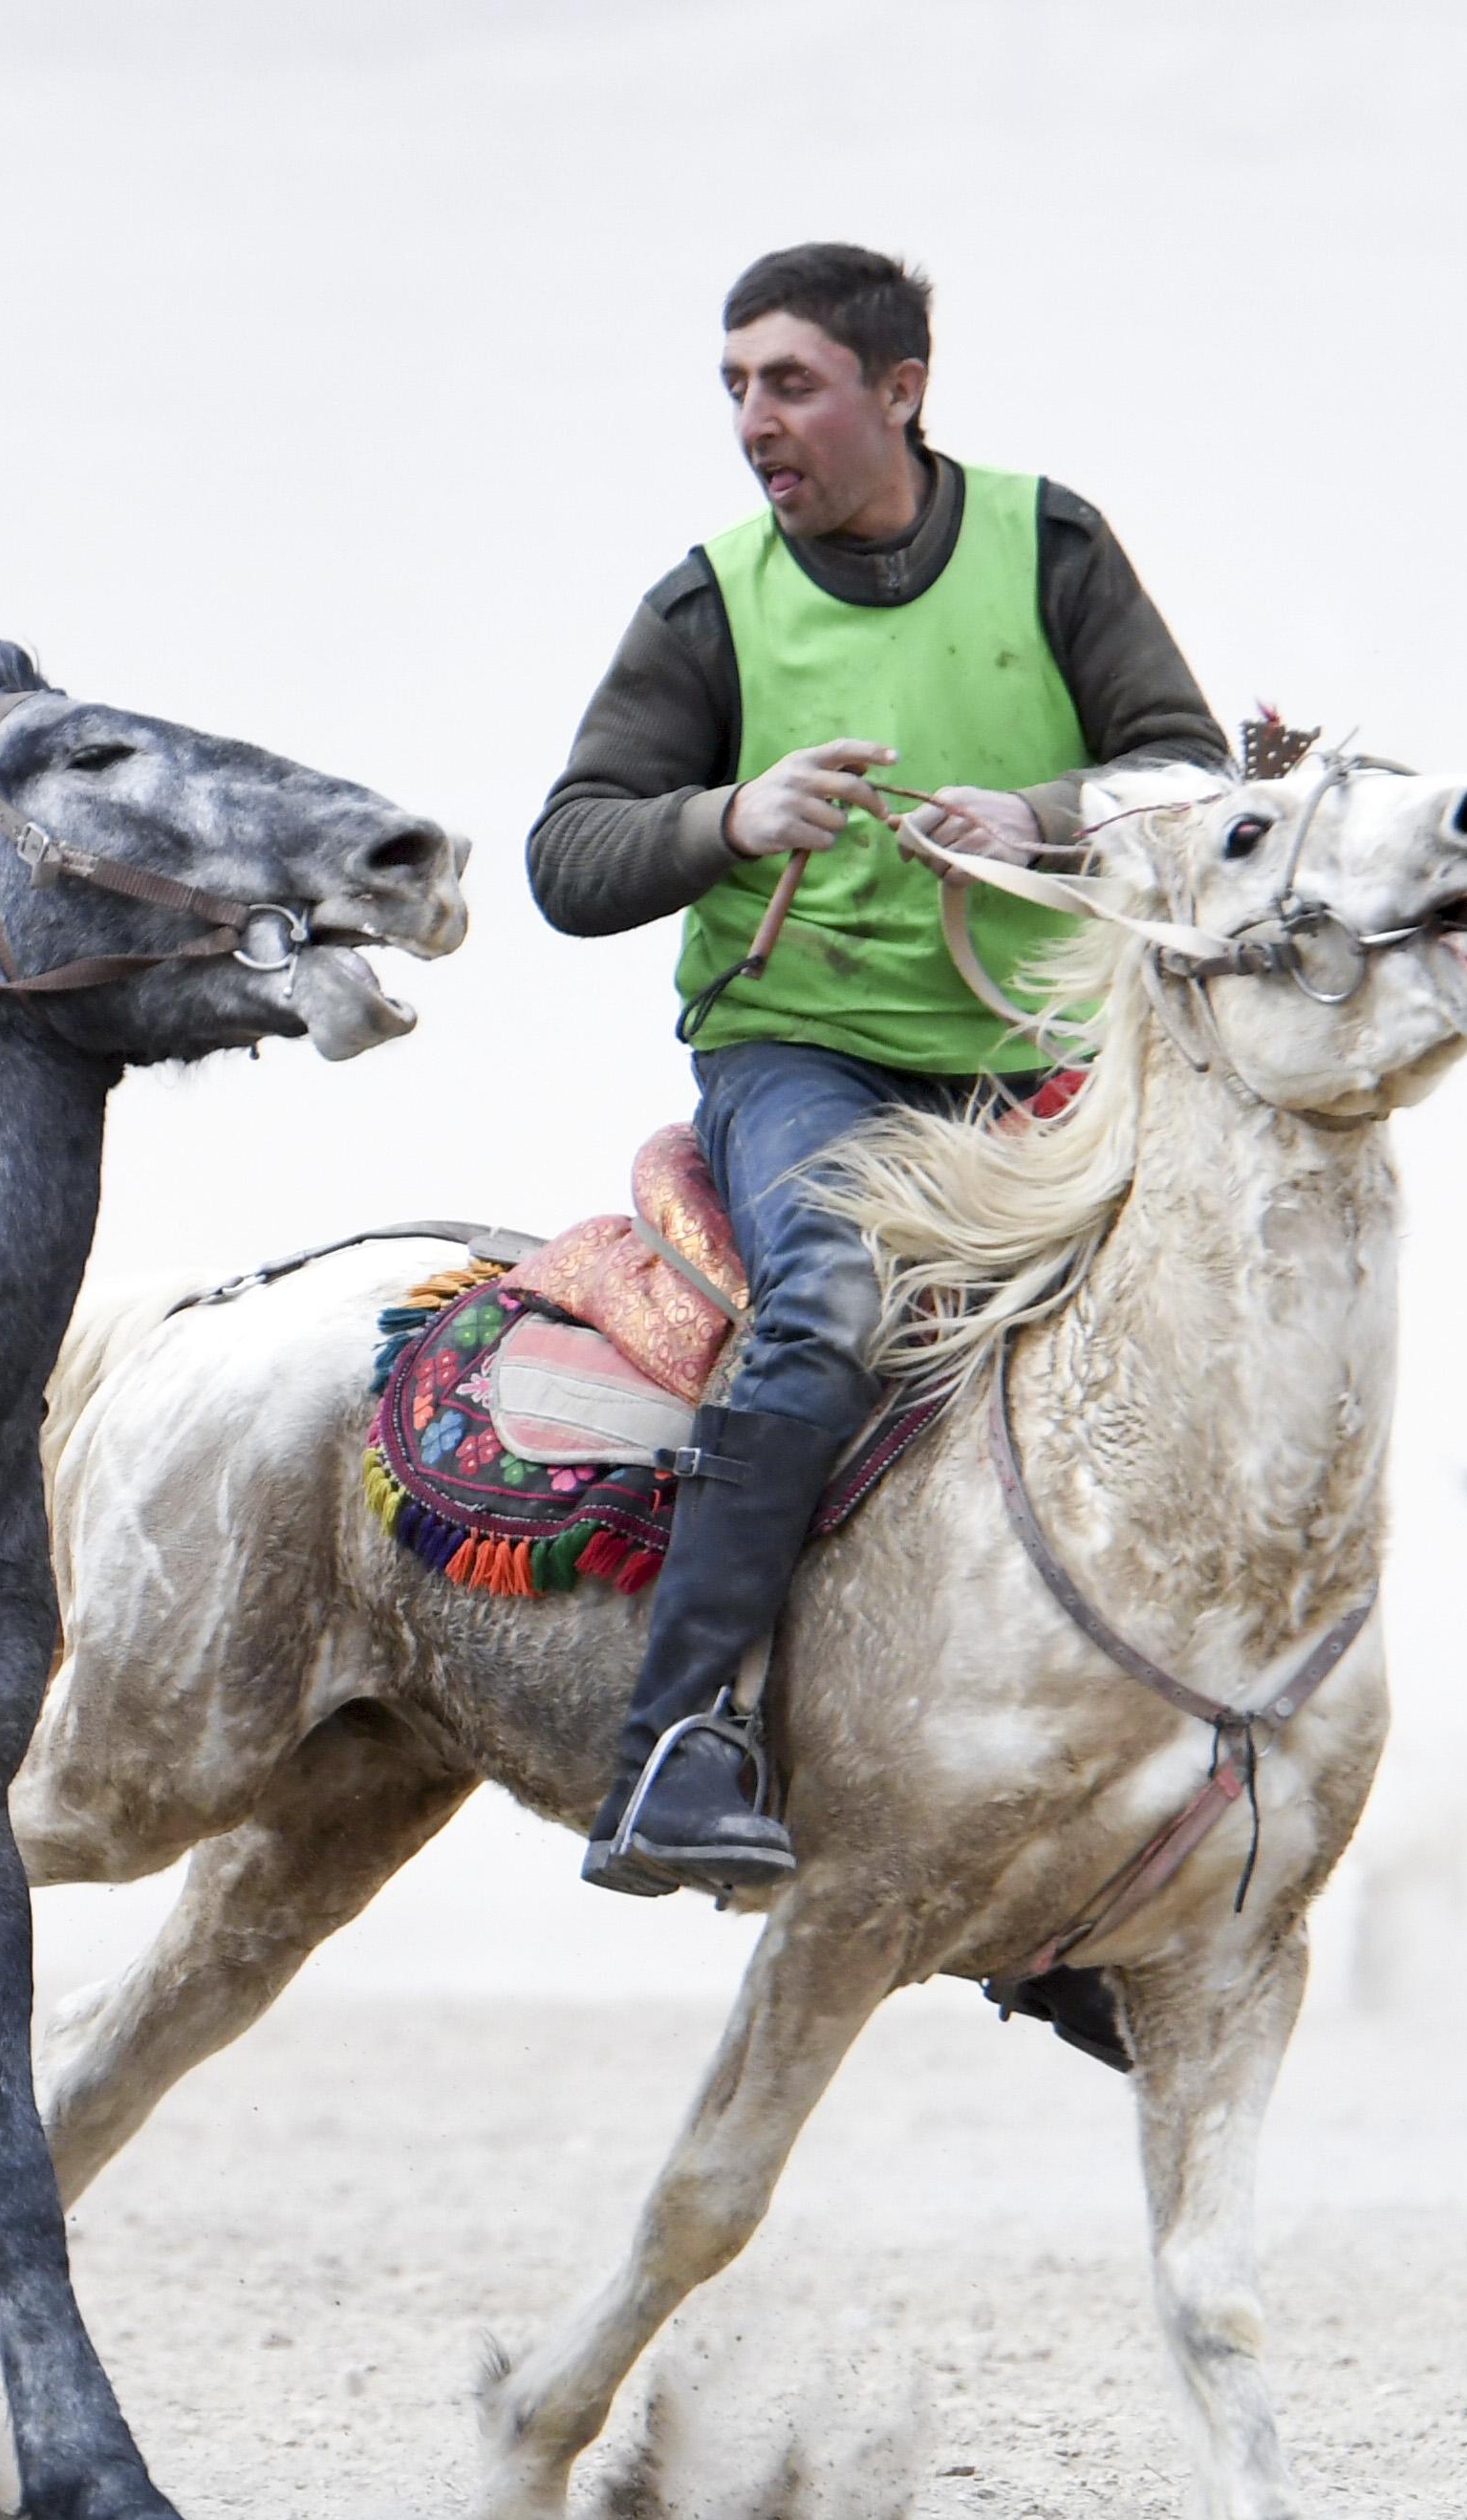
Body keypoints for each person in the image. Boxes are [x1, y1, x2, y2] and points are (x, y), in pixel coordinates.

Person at [527, 243, 1228, 1901]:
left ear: (900, 391)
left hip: (1038, 1076)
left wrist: (1046, 814)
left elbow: (1189, 776)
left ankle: (1154, 1788)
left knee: (1199, 1332)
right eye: (735, 387)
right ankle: (678, 1741)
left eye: (790, 383)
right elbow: (568, 857)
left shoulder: (1051, 547)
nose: (753, 420)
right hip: (806, 1064)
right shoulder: (707, 604)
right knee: (827, 1299)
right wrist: (727, 818)